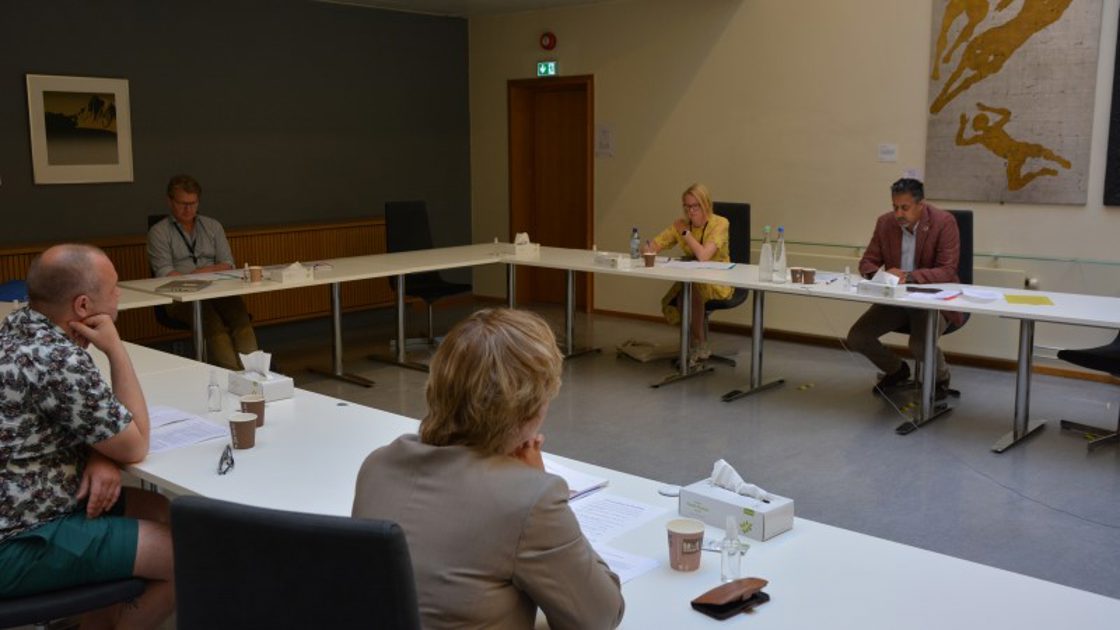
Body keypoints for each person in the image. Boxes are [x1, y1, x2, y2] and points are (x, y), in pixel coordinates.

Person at [352, 308, 625, 630]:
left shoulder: (377, 465)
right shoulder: (530, 499)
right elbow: (599, 617)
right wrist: (537, 485)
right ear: (531, 407)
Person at [0, 244, 175, 628]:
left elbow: (83, 420)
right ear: (83, 306)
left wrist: (100, 454)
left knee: (156, 509)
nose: (119, 295)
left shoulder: (20, 324)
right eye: (113, 289)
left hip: (29, 498)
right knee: (185, 555)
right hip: (17, 539)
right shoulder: (57, 359)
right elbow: (135, 443)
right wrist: (115, 349)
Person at [845, 178, 963, 398]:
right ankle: (896, 370)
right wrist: (881, 275)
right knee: (858, 337)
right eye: (895, 207)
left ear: (921, 205)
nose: (898, 214)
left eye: (905, 208)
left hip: (932, 300)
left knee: (919, 345)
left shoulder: (944, 222)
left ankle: (941, 378)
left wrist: (908, 277)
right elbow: (867, 263)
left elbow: (947, 270)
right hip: (896, 299)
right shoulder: (885, 223)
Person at [147, 174, 258, 370]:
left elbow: (228, 264)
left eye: (193, 203)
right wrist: (200, 275)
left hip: (218, 290)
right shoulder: (158, 232)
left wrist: (201, 272)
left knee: (240, 316)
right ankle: (232, 375)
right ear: (170, 202)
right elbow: (165, 274)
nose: (188, 209)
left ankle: (254, 373)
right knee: (210, 321)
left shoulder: (213, 226)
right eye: (182, 203)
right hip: (180, 296)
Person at [644, 183, 732, 366]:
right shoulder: (682, 224)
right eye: (686, 206)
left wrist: (685, 233)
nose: (690, 211)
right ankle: (694, 343)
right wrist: (647, 247)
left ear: (705, 204)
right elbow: (656, 244)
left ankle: (698, 343)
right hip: (692, 278)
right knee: (685, 291)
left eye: (695, 206)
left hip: (718, 279)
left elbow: (704, 256)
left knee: (690, 291)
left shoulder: (720, 223)